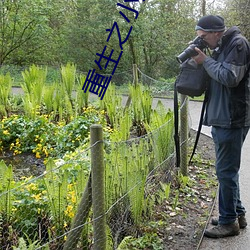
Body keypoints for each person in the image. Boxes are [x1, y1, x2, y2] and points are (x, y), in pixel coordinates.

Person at [192, 15, 250, 238]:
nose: (203, 41)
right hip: (222, 117)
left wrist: (205, 61)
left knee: (225, 171)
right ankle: (237, 214)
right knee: (227, 171)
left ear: (216, 32)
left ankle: (228, 223)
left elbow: (229, 77)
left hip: (232, 118)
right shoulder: (221, 46)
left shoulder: (238, 44)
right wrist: (202, 60)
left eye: (204, 37)